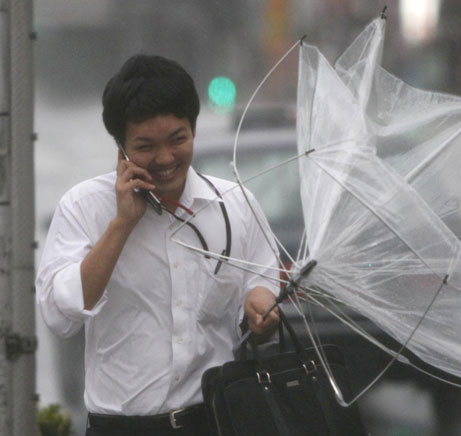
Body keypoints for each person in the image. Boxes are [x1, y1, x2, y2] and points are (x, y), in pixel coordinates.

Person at [36, 54, 281, 436]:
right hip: (121, 428)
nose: (165, 158)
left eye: (177, 140)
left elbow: (262, 282)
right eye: (146, 146)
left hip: (215, 422)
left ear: (194, 131)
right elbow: (59, 316)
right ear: (121, 148)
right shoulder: (84, 207)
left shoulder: (237, 205)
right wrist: (122, 224)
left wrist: (261, 308)